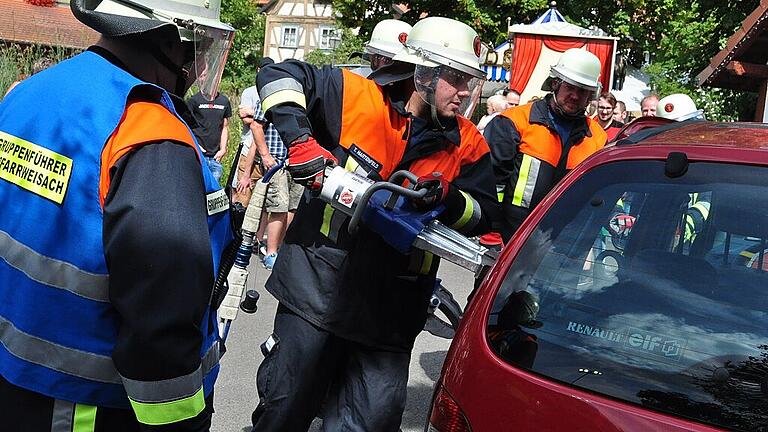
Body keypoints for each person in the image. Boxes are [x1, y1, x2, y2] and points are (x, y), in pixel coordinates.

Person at [251, 16, 498, 432]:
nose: (463, 93)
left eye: (469, 82)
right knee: (284, 413)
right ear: (424, 73)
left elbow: (485, 215)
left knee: (369, 424)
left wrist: (450, 199)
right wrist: (299, 140)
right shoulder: (355, 96)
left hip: (391, 314)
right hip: (317, 293)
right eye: (455, 78)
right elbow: (277, 74)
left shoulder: (468, 142)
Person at [0, 0, 234, 430]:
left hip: (15, 378)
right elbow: (162, 321)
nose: (192, 67)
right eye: (192, 49)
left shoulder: (31, 94)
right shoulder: (150, 136)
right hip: (85, 407)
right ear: (167, 40)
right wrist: (182, 421)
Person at [484, 48, 607, 241]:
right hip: (510, 238)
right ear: (556, 84)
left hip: (561, 246)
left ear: (590, 96)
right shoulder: (514, 122)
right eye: (570, 87)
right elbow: (490, 185)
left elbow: (596, 198)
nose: (575, 96)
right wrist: (491, 237)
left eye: (582, 90)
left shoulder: (598, 138)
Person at [187, 89, 232, 182]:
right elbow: (186, 126)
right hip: (199, 156)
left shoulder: (224, 101)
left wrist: (223, 149)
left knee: (214, 193)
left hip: (215, 157)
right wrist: (195, 146)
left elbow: (224, 127)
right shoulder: (194, 100)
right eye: (203, 76)